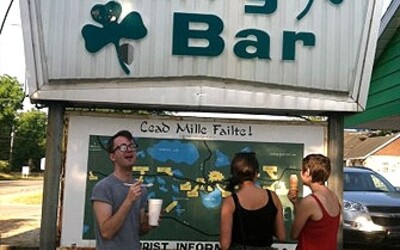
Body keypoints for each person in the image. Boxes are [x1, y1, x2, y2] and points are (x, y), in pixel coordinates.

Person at [91, 130, 154, 250]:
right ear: (112, 156)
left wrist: (150, 223)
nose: (129, 150)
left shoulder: (140, 189)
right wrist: (128, 201)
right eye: (123, 147)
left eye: (132, 146)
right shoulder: (103, 188)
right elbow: (106, 232)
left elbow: (139, 230)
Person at [220, 152, 286, 250]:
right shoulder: (273, 197)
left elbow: (225, 245)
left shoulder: (230, 202)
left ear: (234, 174)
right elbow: (281, 236)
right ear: (256, 173)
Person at [287, 154, 340, 250]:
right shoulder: (333, 197)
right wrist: (295, 203)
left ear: (307, 172)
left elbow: (294, 235)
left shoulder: (309, 202)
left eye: (302, 170)